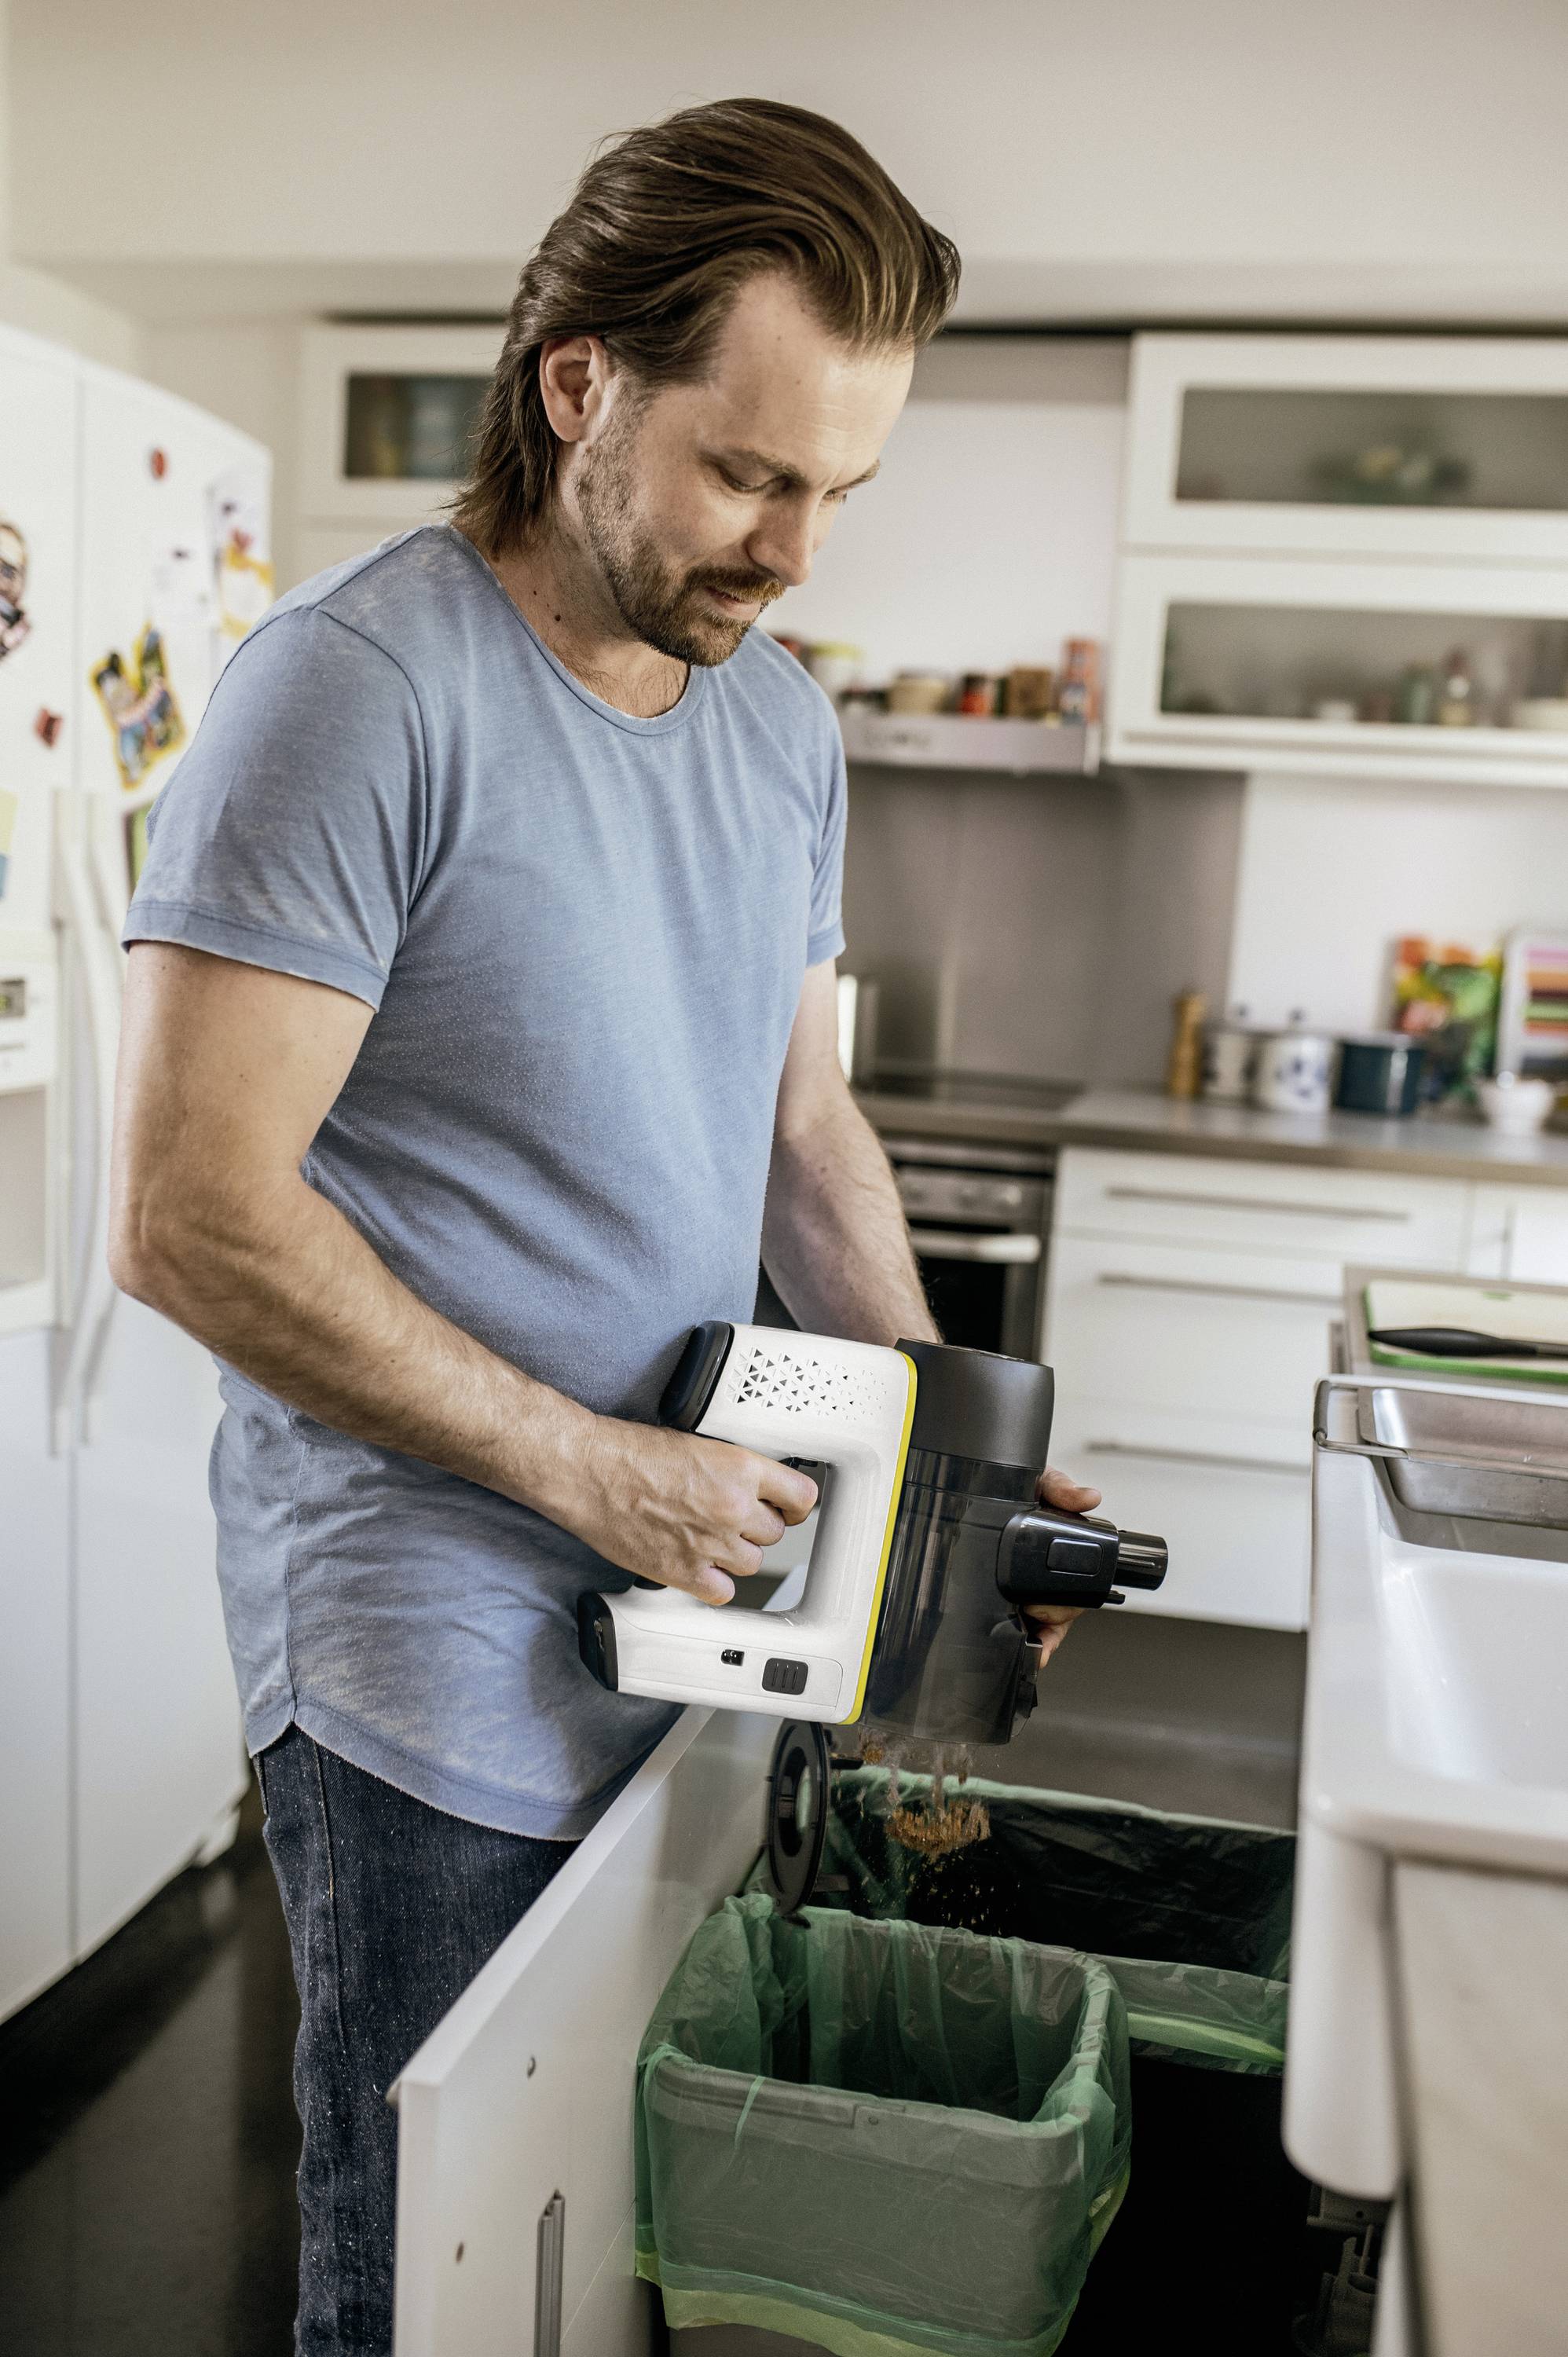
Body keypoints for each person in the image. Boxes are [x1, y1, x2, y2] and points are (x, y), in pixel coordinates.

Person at [109, 97, 1101, 2357]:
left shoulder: (776, 725)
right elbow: (186, 1220)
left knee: (606, 2250)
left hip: (686, 1601)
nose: (792, 548)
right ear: (581, 384)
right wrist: (587, 1469)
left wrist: (948, 1470)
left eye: (838, 491)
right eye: (749, 474)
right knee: (437, 2265)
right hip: (429, 1640)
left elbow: (800, 1127)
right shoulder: (351, 696)